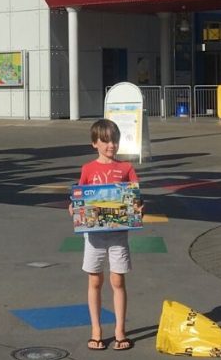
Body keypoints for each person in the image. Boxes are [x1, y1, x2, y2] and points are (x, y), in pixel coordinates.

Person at [68, 119, 143, 352]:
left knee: (118, 280)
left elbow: (136, 199)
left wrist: (139, 207)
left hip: (118, 234)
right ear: (95, 143)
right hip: (93, 236)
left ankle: (120, 330)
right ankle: (96, 330)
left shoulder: (127, 169)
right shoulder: (88, 169)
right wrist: (73, 208)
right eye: (106, 141)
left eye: (115, 140)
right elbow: (79, 197)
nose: (111, 145)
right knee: (94, 280)